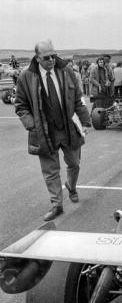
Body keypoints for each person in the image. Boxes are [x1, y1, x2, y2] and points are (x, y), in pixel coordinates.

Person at [15, 40, 91, 221]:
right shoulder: (26, 77)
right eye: (47, 57)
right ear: (37, 58)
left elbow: (78, 98)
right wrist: (32, 124)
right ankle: (56, 204)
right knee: (50, 171)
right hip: (44, 132)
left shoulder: (66, 72)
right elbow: (20, 106)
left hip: (68, 128)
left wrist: (85, 121)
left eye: (54, 55)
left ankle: (71, 186)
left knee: (74, 163)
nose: (52, 60)